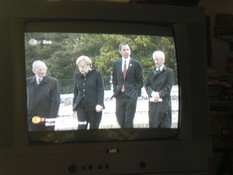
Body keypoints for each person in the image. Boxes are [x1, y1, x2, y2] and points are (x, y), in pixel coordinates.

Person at [112, 43, 143, 128]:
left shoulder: (136, 64)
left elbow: (140, 81)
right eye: (124, 50)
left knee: (129, 121)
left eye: (128, 49)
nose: (126, 51)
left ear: (130, 50)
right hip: (120, 95)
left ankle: (129, 138)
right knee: (120, 119)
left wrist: (136, 94)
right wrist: (115, 89)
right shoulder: (116, 63)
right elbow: (115, 79)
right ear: (120, 51)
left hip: (131, 96)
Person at [26, 60, 61, 131]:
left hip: (47, 118)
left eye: (44, 69)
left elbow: (55, 101)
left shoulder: (53, 82)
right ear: (33, 70)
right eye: (40, 69)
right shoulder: (27, 82)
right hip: (31, 118)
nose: (42, 71)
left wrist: (52, 118)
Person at [73, 55, 105, 129]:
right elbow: (76, 93)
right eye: (79, 67)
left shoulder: (97, 74)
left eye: (83, 66)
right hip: (81, 106)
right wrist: (74, 108)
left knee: (94, 128)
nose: (81, 69)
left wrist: (100, 104)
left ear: (89, 65)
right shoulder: (77, 76)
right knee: (81, 127)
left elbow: (100, 90)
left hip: (94, 107)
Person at [145, 50, 174, 128]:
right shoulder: (151, 72)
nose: (156, 61)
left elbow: (168, 88)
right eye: (154, 60)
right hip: (153, 104)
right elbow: (147, 85)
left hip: (163, 105)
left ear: (163, 60)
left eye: (157, 59)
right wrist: (152, 93)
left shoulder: (169, 72)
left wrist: (159, 94)